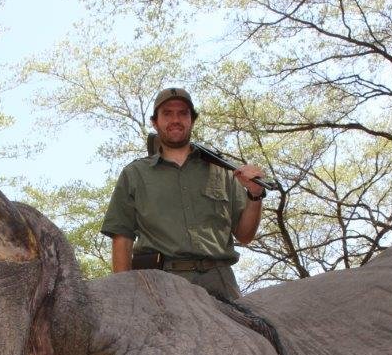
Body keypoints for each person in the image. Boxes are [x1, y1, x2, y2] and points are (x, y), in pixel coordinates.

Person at [100, 88, 268, 301]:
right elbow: (122, 239)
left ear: (192, 120)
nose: (175, 119)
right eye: (167, 113)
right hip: (160, 285)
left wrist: (255, 194)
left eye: (183, 113)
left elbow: (245, 235)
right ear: (155, 122)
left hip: (220, 281)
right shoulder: (134, 174)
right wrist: (125, 296)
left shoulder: (224, 171)